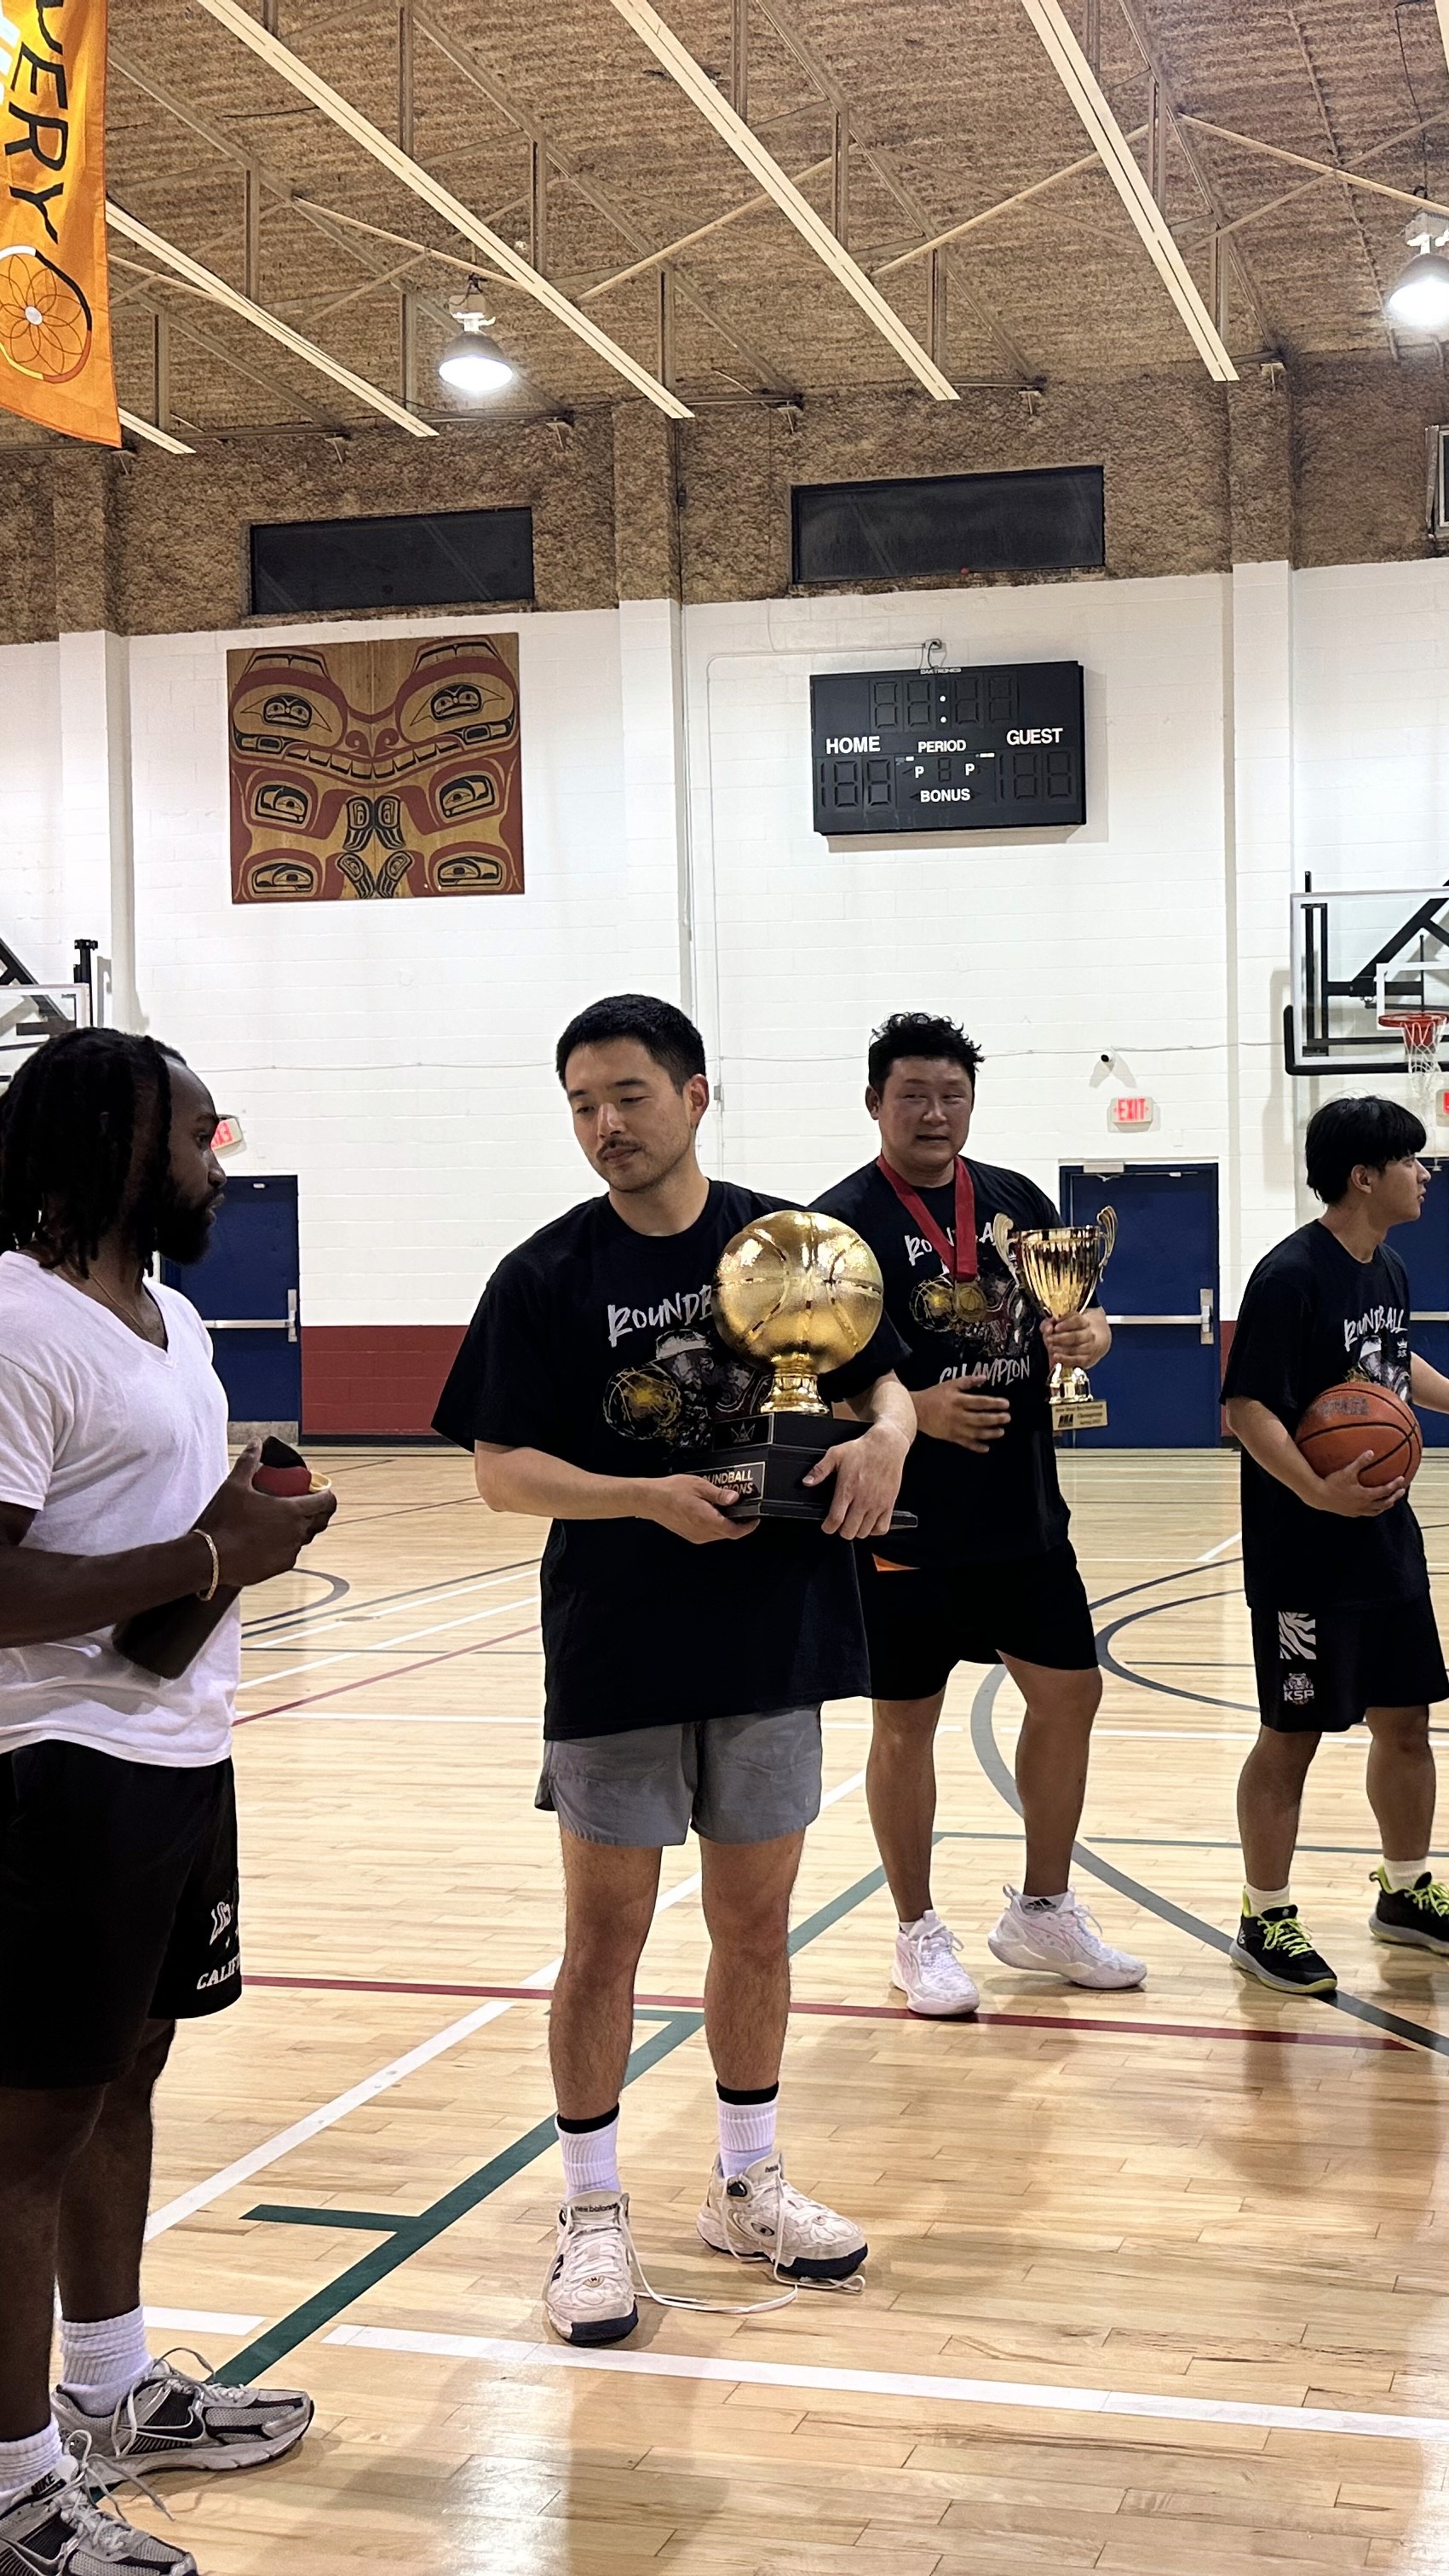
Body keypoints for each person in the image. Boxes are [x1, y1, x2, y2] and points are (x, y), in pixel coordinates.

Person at [434, 993, 915, 2346]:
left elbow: (882, 1381)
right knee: (606, 1940)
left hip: (773, 1638)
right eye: (582, 1104)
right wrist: (645, 1500)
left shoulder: (792, 1247)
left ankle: (748, 2184)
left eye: (628, 1096)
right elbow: (498, 1472)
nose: (604, 1127)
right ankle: (591, 2212)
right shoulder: (542, 1277)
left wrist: (888, 1441)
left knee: (754, 1929)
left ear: (695, 1096)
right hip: (618, 1649)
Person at [0, 1029, 336, 2575]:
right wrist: (213, 1555)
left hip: (178, 1746)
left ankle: (111, 2386)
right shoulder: (14, 1318)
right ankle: (13, 2487)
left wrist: (238, 1511)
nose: (220, 1155)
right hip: (50, 1769)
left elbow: (158, 1547)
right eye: (200, 1132)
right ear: (120, 1142)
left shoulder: (174, 1318)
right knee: (28, 2126)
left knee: (127, 2076)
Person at [815, 1012, 1146, 2014]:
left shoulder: (1016, 1203)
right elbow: (796, 1384)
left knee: (1071, 1694)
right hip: (901, 1520)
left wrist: (1092, 1336)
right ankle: (916, 1931)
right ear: (874, 1101)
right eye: (912, 1094)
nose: (933, 1112)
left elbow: (1070, 1322)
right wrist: (911, 1409)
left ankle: (1041, 1909)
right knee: (905, 1723)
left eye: (951, 1094)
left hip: (1020, 1510)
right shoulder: (839, 1227)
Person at [1223, 1095, 1449, 1996]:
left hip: (1384, 1541)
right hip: (1304, 1554)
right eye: (1412, 1161)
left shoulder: (1385, 1266)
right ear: (1365, 1175)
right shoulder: (1289, 1277)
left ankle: (1404, 1893)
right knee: (1294, 1734)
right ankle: (1263, 1915)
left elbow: (1392, 1372)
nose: (1424, 1174)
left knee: (1408, 1722)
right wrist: (1318, 1490)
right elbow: (1246, 1409)